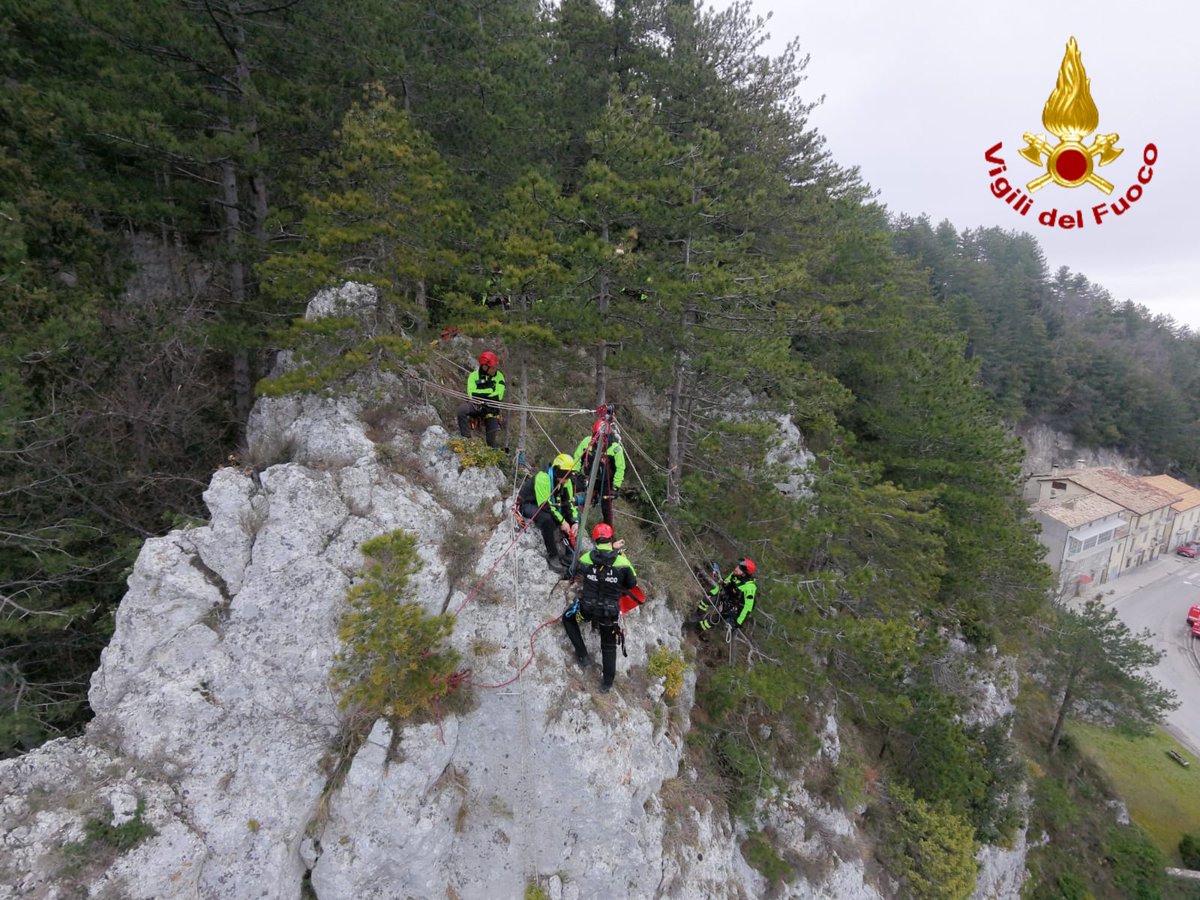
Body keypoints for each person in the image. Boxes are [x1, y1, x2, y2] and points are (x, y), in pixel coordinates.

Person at [562, 523, 638, 692]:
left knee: (568, 618)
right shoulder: (622, 562)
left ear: (595, 540)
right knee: (608, 645)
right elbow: (632, 583)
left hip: (587, 610)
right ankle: (607, 684)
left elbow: (574, 571)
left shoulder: (586, 558)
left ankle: (582, 655)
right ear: (611, 539)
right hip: (609, 613)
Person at [517, 453, 579, 573]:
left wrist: (574, 521)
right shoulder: (543, 477)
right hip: (528, 504)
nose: (566, 479)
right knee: (547, 519)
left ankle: (569, 554)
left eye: (569, 474)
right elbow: (545, 505)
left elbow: (569, 503)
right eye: (564, 474)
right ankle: (553, 555)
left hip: (548, 503)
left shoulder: (567, 481)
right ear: (557, 470)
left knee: (574, 518)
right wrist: (562, 521)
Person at [572, 417, 625, 526]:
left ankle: (608, 534)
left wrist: (615, 487)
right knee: (570, 487)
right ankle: (567, 511)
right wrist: (574, 473)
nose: (599, 441)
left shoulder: (615, 449)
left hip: (606, 483)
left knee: (606, 507)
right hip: (588, 477)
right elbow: (577, 457)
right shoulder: (587, 442)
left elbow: (620, 468)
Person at [455, 351, 506, 448]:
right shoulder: (473, 376)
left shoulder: (499, 376)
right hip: (476, 405)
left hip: (491, 408)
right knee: (461, 411)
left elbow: (498, 395)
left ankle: (493, 453)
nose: (495, 370)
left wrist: (481, 394)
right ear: (484, 367)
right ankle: (467, 440)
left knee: (491, 438)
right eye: (493, 368)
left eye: (495, 367)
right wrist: (491, 390)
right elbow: (472, 394)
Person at [695, 557, 757, 635]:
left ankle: (697, 628)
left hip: (732, 608)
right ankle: (697, 615)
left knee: (712, 621)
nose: (736, 568)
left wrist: (738, 623)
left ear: (744, 573)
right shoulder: (734, 575)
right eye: (738, 566)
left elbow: (748, 607)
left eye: (740, 568)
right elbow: (723, 584)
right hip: (725, 598)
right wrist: (712, 593)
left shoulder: (750, 588)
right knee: (706, 600)